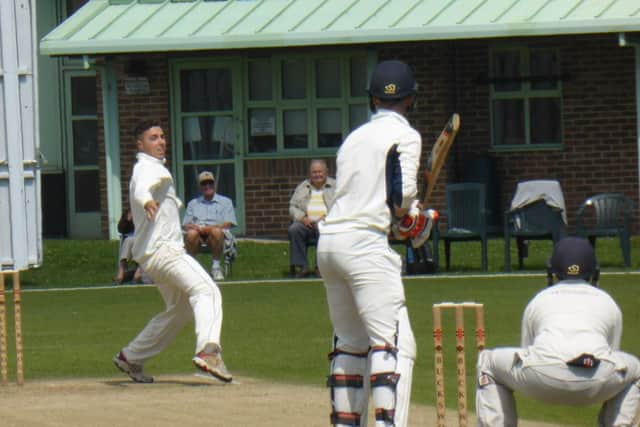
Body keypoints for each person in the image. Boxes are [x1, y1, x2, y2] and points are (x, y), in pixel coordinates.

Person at [317, 60, 435, 427]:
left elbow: (371, 198)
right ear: (411, 99)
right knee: (391, 345)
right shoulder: (408, 136)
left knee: (351, 343)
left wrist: (403, 221)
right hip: (365, 246)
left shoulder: (353, 139)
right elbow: (401, 199)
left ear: (372, 99)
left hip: (330, 243)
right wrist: (419, 220)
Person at [112, 120, 232, 384]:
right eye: (153, 138)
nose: (161, 141)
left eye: (162, 136)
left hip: (152, 255)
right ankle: (209, 351)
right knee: (207, 291)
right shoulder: (147, 168)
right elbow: (143, 187)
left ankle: (131, 357)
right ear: (140, 144)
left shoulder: (151, 169)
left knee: (180, 310)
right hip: (164, 251)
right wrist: (145, 200)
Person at [476, 236, 640, 427]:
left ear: (553, 272)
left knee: (487, 361)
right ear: (594, 272)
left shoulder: (539, 299)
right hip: (596, 375)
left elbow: (527, 350)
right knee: (635, 370)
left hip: (540, 376)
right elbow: (612, 355)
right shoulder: (608, 302)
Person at [182, 171, 237, 281]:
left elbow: (229, 223)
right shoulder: (193, 203)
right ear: (200, 186)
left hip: (217, 234)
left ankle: (215, 268)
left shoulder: (226, 202)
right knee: (191, 233)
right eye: (204, 184)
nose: (208, 186)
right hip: (198, 233)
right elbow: (186, 225)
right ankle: (194, 269)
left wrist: (211, 228)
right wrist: (196, 228)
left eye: (210, 183)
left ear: (214, 184)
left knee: (216, 232)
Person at [288, 159, 336, 278]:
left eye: (320, 172)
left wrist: (327, 218)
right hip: (306, 224)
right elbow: (292, 206)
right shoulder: (303, 186)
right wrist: (302, 218)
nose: (317, 175)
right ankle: (302, 267)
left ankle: (320, 267)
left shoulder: (335, 186)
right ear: (310, 173)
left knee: (323, 229)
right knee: (294, 229)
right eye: (314, 172)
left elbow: (342, 205)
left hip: (327, 223)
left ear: (326, 172)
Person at [113, 208, 144, 285]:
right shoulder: (129, 212)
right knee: (128, 241)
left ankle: (139, 272)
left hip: (144, 239)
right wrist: (128, 219)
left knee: (132, 241)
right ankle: (121, 271)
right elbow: (121, 229)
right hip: (131, 240)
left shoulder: (147, 211)